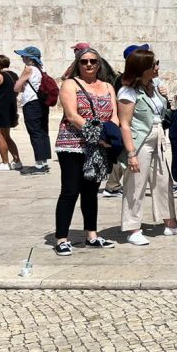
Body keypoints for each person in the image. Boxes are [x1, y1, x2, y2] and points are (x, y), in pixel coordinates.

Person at [52, 48, 120, 255]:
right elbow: (72, 115)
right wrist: (98, 135)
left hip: (99, 147)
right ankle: (61, 238)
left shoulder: (108, 86)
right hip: (72, 144)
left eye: (93, 61)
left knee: (91, 192)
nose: (89, 65)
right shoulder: (70, 84)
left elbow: (114, 116)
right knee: (70, 190)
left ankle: (92, 234)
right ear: (77, 64)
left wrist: (111, 137)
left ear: (99, 64)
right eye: (84, 62)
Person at [117, 48, 177, 245]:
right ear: (142, 68)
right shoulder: (128, 92)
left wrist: (165, 96)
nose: (157, 67)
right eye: (154, 64)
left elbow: (161, 112)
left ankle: (170, 223)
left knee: (163, 181)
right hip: (140, 141)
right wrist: (131, 154)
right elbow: (125, 124)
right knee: (136, 184)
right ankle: (132, 228)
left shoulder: (155, 86)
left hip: (159, 137)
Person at [13, 46, 52, 175]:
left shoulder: (29, 69)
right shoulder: (42, 69)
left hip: (31, 103)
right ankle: (44, 162)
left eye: (23, 56)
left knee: (35, 132)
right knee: (42, 131)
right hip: (42, 103)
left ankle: (39, 165)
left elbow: (17, 88)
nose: (22, 58)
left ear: (29, 58)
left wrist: (20, 83)